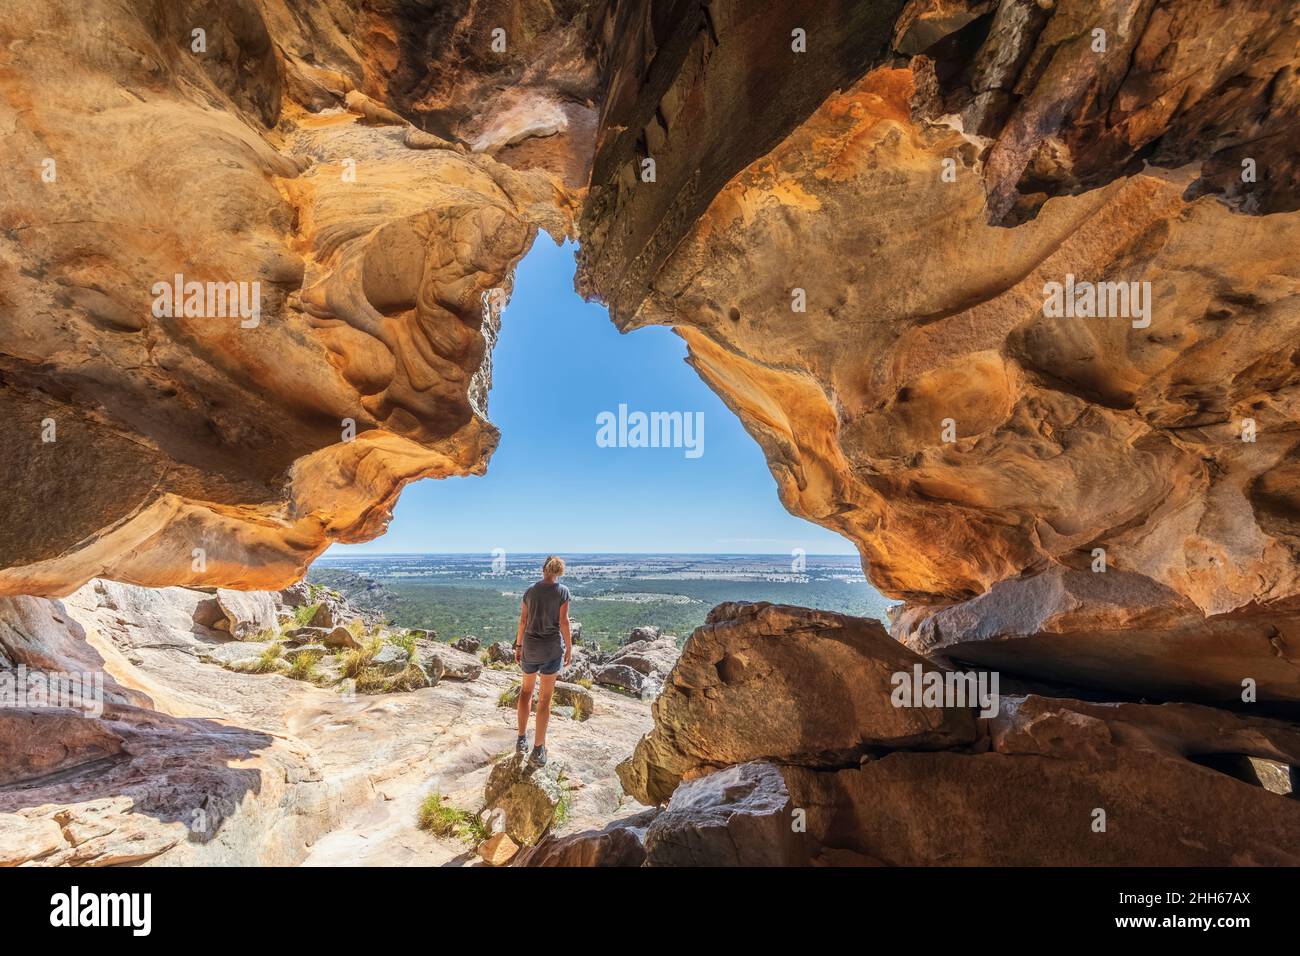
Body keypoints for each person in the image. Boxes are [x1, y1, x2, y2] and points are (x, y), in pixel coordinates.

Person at [514, 555, 572, 765]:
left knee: (526, 691)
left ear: (543, 569)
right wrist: (569, 647)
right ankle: (538, 749)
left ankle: (521, 739)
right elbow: (564, 623)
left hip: (530, 645)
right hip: (551, 648)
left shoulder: (530, 591)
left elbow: (522, 621)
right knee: (545, 699)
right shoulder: (562, 592)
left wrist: (518, 645)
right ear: (558, 572)